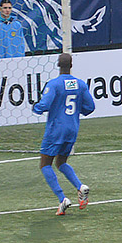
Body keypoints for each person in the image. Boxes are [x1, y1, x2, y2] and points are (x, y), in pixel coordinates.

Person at [32, 53, 95, 216]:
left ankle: (62, 199)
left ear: (58, 64)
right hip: (72, 128)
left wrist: (35, 107)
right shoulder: (80, 85)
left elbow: (44, 105)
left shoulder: (54, 84)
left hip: (56, 129)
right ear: (71, 65)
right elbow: (90, 107)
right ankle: (81, 187)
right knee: (61, 162)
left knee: (45, 164)